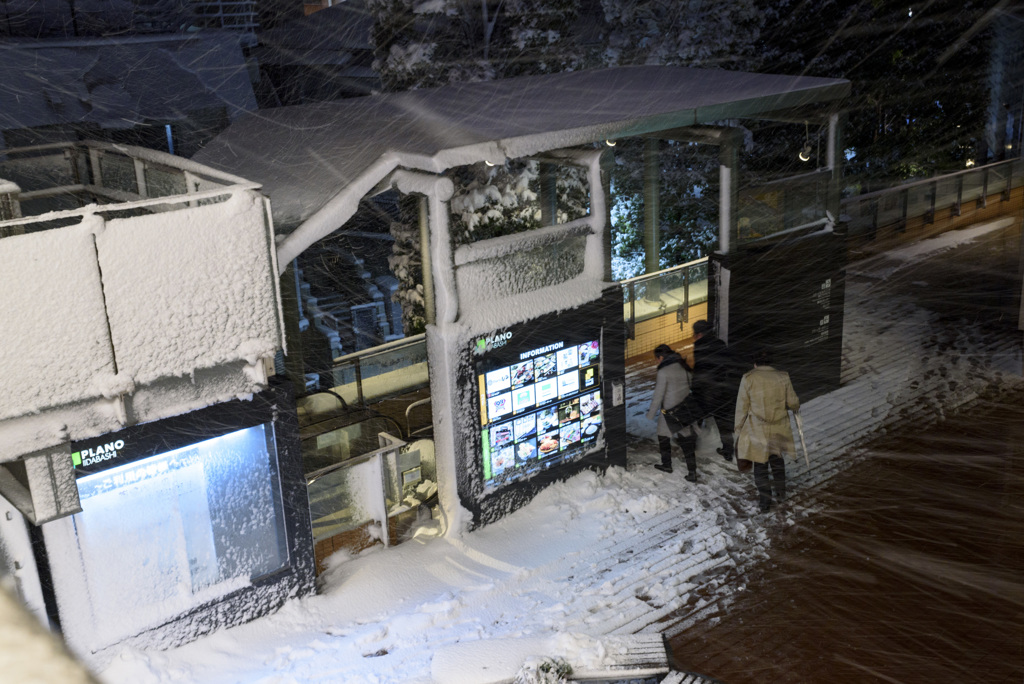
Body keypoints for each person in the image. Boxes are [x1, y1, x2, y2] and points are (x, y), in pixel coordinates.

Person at [734, 348, 800, 513]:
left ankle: (765, 500)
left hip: (758, 428)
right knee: (777, 460)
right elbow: (793, 402)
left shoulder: (748, 378)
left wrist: (738, 428)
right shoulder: (782, 377)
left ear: (755, 364)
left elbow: (742, 407)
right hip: (779, 426)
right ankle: (780, 492)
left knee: (760, 464)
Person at [691, 320, 742, 463]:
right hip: (720, 389)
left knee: (695, 419)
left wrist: (694, 386)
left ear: (699, 334)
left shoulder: (699, 346)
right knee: (722, 422)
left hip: (704, 390)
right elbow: (726, 365)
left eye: (694, 334)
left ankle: (691, 444)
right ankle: (728, 450)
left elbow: (700, 368)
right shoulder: (720, 344)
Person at [646, 343, 699, 482]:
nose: (657, 362)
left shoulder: (664, 371)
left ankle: (667, 464)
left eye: (657, 359)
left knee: (663, 436)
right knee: (686, 440)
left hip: (669, 411)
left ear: (661, 357)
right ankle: (692, 471)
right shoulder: (683, 366)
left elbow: (658, 395)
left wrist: (651, 413)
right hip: (684, 409)